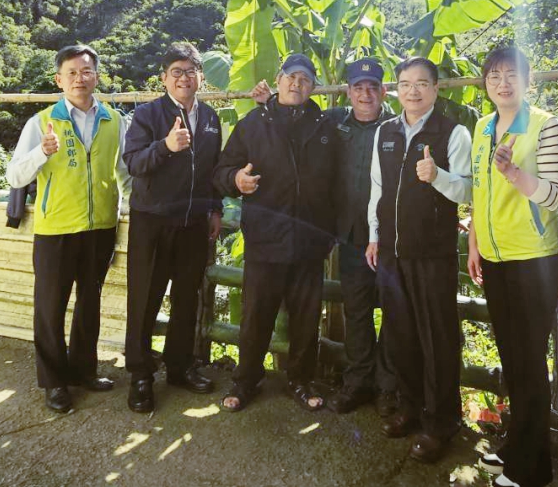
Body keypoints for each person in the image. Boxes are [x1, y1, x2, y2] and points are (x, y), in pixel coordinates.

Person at [251, 58, 398, 416]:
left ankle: (388, 388)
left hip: (391, 238)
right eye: (359, 87)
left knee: (395, 314)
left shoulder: (398, 128)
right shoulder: (332, 122)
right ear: (348, 91)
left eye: (373, 87)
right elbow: (294, 117)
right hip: (350, 235)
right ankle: (358, 382)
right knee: (357, 311)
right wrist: (268, 102)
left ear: (383, 91)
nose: (366, 94)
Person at [466, 46, 558, 487]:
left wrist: (513, 173)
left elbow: (556, 197)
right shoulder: (483, 127)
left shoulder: (547, 126)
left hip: (534, 259)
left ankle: (534, 469)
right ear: (485, 83)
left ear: (528, 81)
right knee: (513, 358)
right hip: (494, 256)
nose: (502, 83)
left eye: (512, 75)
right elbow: (478, 190)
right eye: (494, 75)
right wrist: (475, 243)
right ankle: (516, 446)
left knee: (528, 362)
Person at [5, 44, 131, 413]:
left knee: (90, 304)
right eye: (72, 72)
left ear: (97, 76)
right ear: (59, 79)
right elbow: (15, 176)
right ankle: (54, 382)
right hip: (56, 229)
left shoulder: (114, 121)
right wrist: (41, 152)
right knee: (50, 307)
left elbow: (125, 175)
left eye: (86, 71)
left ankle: (83, 371)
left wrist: (141, 208)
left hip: (101, 227)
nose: (80, 78)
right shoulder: (41, 121)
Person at [213, 54, 341, 413]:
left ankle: (301, 380)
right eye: (291, 77)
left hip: (309, 242)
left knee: (306, 319)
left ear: (313, 87)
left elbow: (338, 183)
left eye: (305, 79)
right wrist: (236, 180)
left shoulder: (325, 127)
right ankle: (246, 379)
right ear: (278, 80)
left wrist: (329, 231)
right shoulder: (254, 124)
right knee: (256, 316)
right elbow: (222, 170)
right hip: (265, 239)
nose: (297, 84)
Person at [366, 56, 473, 463]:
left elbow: (468, 191)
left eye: (422, 84)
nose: (413, 91)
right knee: (402, 336)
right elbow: (377, 189)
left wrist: (437, 176)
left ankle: (442, 422)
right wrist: (374, 236)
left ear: (435, 88)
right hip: (392, 253)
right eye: (406, 84)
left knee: (437, 339)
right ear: (396, 89)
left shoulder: (453, 132)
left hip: (432, 253)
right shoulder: (386, 131)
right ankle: (410, 408)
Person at [121, 42, 222, 414]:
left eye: (190, 71)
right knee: (145, 298)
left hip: (193, 223)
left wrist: (214, 208)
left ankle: (179, 367)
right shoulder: (147, 115)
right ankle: (140, 375)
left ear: (200, 77)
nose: (184, 78)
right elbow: (134, 163)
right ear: (164, 78)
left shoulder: (210, 117)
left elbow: (212, 170)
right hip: (152, 222)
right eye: (176, 72)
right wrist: (165, 146)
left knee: (186, 299)